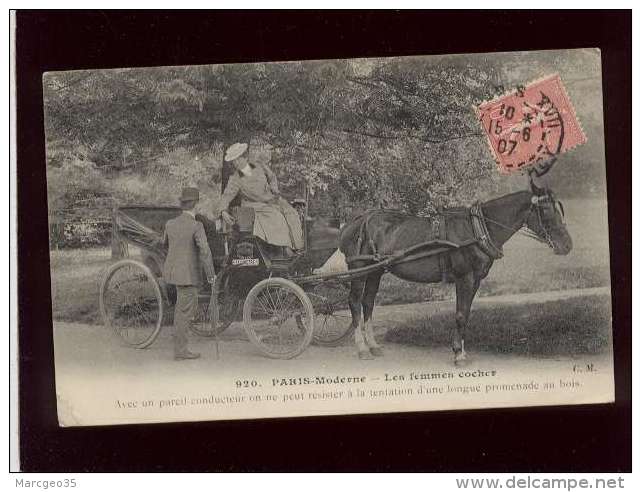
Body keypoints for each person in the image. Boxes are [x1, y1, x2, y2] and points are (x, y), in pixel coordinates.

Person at [213, 142, 304, 254]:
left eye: (238, 159)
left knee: (292, 213)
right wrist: (223, 211)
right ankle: (285, 248)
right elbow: (226, 196)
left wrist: (273, 187)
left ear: (245, 157)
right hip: (255, 206)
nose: (236, 163)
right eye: (234, 161)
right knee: (276, 217)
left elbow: (271, 177)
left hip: (271, 200)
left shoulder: (258, 166)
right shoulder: (235, 179)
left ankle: (297, 247)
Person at [160, 187, 215, 360]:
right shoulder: (196, 226)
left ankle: (179, 342)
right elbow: (205, 252)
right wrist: (211, 275)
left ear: (183, 205)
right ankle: (181, 351)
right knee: (183, 312)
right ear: (195, 205)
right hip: (187, 275)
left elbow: (164, 243)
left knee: (181, 310)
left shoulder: (170, 224)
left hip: (173, 272)